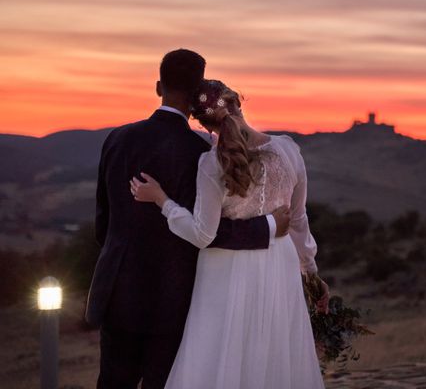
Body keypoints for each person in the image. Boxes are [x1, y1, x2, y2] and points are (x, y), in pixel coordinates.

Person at [86, 49, 291, 389]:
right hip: (174, 294)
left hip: (119, 289)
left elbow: (103, 223)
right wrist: (267, 227)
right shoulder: (199, 153)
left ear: (157, 87)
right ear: (197, 93)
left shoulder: (116, 139)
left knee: (112, 382)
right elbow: (209, 231)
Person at [131, 78, 328, 389]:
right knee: (274, 350)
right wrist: (311, 271)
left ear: (204, 124)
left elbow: (202, 234)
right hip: (281, 264)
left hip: (225, 271)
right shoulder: (289, 150)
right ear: (238, 101)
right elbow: (299, 219)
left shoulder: (211, 164)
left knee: (222, 355)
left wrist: (162, 201)